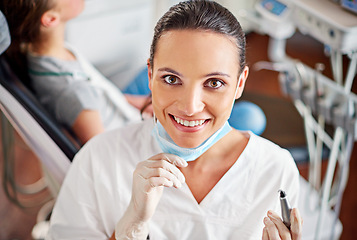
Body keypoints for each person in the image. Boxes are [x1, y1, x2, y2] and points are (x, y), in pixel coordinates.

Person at [47, 1, 303, 239]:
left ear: (240, 83)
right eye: (171, 79)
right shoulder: (100, 160)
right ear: (150, 75)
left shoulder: (274, 170)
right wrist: (132, 225)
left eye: (214, 83)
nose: (190, 107)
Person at [0, 0, 152, 145]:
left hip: (121, 108)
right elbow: (102, 154)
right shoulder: (74, 92)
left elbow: (100, 96)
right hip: (133, 134)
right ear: (51, 19)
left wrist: (143, 104)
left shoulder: (44, 55)